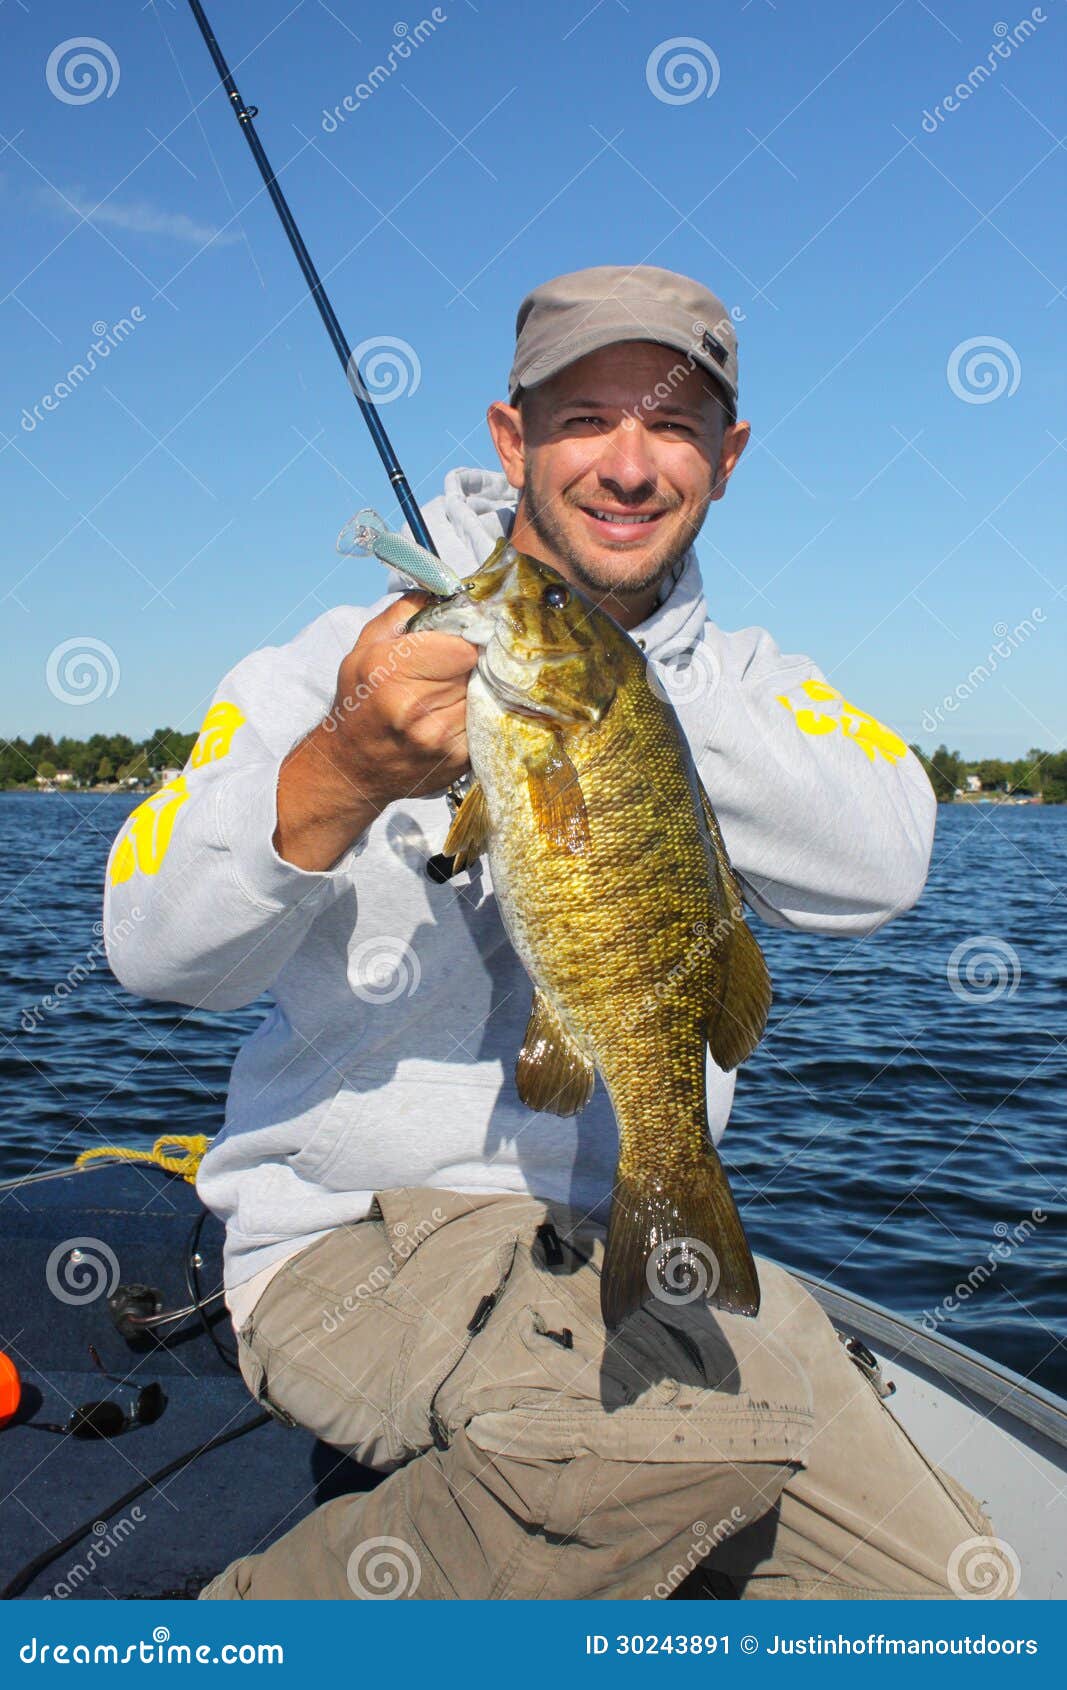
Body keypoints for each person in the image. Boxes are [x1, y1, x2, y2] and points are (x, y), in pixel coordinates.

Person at [103, 265, 988, 1601]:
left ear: (727, 459)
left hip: (623, 1222)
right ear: (512, 439)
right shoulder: (342, 661)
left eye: (676, 424)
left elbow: (890, 851)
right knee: (656, 1452)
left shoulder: (753, 689)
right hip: (356, 1239)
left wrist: (622, 694)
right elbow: (146, 945)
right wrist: (341, 768)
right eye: (585, 418)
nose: (631, 463)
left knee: (944, 1591)